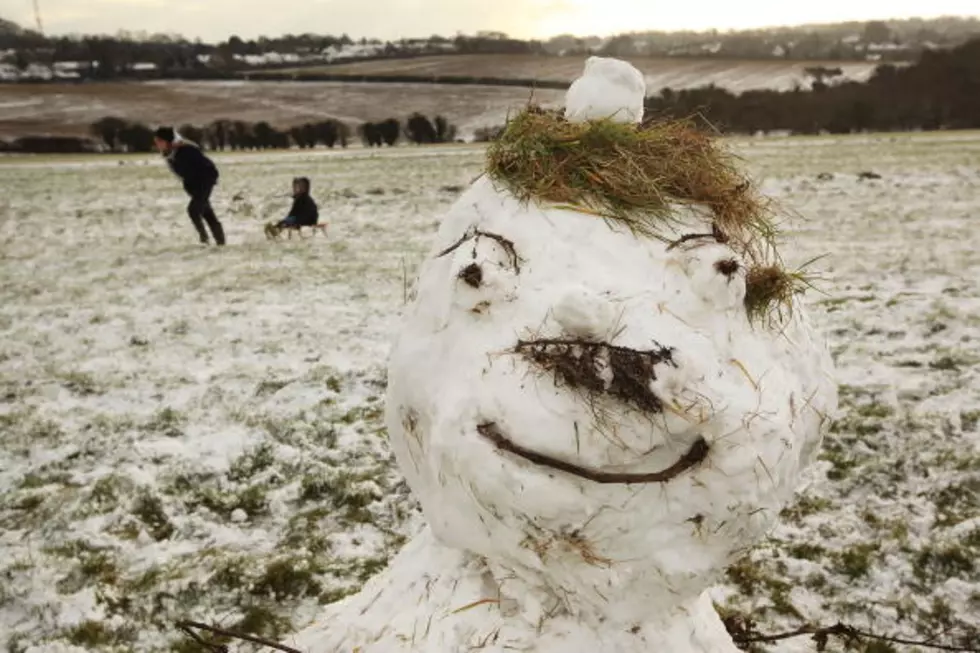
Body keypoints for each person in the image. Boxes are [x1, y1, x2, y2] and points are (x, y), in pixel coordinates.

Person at [153, 126, 226, 246]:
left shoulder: (186, 149)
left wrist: (207, 182)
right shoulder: (170, 152)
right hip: (192, 185)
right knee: (206, 213)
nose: (157, 145)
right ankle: (220, 242)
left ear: (168, 141)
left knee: (193, 210)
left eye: (159, 141)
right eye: (156, 142)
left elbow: (208, 167)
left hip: (204, 181)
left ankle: (204, 240)